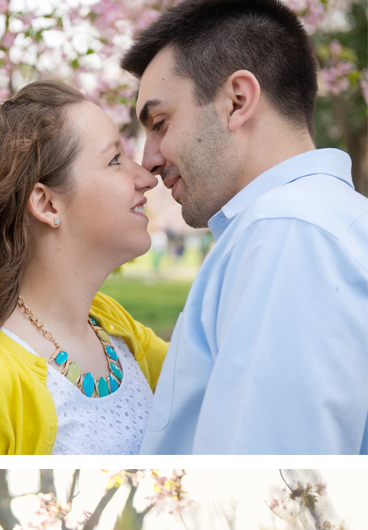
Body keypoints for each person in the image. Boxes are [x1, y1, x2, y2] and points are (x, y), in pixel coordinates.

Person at [124, 0, 368, 452]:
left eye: (159, 124)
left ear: (237, 101)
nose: (148, 161)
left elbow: (264, 464)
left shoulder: (289, 234)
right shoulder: (326, 223)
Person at [0, 81, 167, 455]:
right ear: (47, 204)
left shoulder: (109, 325)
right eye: (115, 160)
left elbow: (223, 381)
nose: (147, 177)